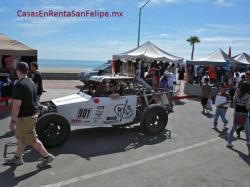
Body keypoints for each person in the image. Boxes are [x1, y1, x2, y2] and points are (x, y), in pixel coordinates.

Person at [4, 62, 54, 168]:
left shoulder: (19, 84)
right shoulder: (30, 82)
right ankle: (18, 158)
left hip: (26, 118)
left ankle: (47, 157)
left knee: (32, 140)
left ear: (17, 71)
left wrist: (12, 121)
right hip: (28, 116)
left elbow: (16, 105)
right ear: (27, 71)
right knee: (21, 138)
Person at [227, 82, 250, 155]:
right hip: (244, 113)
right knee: (247, 129)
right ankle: (248, 144)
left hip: (237, 112)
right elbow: (247, 107)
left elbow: (233, 103)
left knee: (234, 127)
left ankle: (229, 142)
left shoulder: (236, 94)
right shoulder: (247, 96)